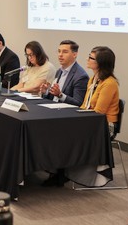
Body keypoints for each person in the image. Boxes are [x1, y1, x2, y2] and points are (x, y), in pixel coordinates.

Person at [66, 46, 120, 187]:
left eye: (91, 58)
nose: (87, 59)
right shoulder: (93, 79)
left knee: (68, 133)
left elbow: (99, 112)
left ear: (100, 63)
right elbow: (85, 105)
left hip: (104, 125)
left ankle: (68, 172)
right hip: (91, 120)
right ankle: (62, 171)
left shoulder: (109, 83)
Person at [40, 40, 89, 106]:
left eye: (65, 52)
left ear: (74, 54)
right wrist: (46, 92)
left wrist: (60, 95)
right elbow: (54, 98)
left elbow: (78, 103)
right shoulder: (59, 71)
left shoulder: (81, 76)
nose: (60, 55)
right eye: (59, 51)